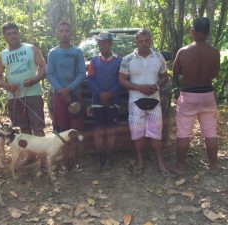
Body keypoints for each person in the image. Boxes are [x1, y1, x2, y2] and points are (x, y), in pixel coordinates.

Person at [172, 17, 220, 176]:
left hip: (189, 95)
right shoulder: (214, 52)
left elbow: (176, 72)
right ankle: (213, 167)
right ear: (208, 32)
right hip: (207, 94)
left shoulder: (184, 51)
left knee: (184, 132)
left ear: (192, 32)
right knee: (210, 132)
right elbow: (214, 74)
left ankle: (180, 167)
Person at [0, 22, 47, 163]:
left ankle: (43, 157)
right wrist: (7, 86)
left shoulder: (31, 49)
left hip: (33, 94)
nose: (12, 36)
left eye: (14, 32)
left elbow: (43, 68)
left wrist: (34, 80)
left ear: (19, 33)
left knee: (38, 127)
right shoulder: (2, 55)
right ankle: (30, 155)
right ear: (4, 37)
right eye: (9, 34)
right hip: (15, 96)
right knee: (24, 127)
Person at [119, 28, 169, 176]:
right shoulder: (127, 59)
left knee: (156, 133)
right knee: (137, 133)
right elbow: (121, 79)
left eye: (147, 40)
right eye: (140, 41)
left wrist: (157, 85)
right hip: (135, 102)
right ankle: (140, 160)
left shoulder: (159, 57)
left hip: (155, 101)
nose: (144, 44)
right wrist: (137, 87)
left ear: (150, 40)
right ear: (136, 41)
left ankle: (160, 162)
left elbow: (165, 76)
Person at [87, 31, 122, 172]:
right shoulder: (94, 61)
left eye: (106, 42)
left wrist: (110, 94)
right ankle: (99, 157)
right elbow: (90, 81)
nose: (103, 45)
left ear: (110, 43)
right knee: (98, 130)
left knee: (111, 131)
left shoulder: (120, 60)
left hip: (113, 101)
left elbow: (121, 80)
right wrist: (101, 94)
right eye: (100, 42)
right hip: (97, 100)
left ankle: (109, 158)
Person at [47, 21, 86, 132]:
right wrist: (61, 90)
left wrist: (69, 89)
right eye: (61, 31)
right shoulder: (53, 52)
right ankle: (62, 150)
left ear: (70, 32)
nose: (64, 33)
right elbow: (49, 74)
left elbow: (82, 73)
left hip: (74, 94)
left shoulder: (77, 51)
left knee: (76, 125)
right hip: (58, 94)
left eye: (67, 31)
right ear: (57, 33)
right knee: (60, 126)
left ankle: (76, 149)